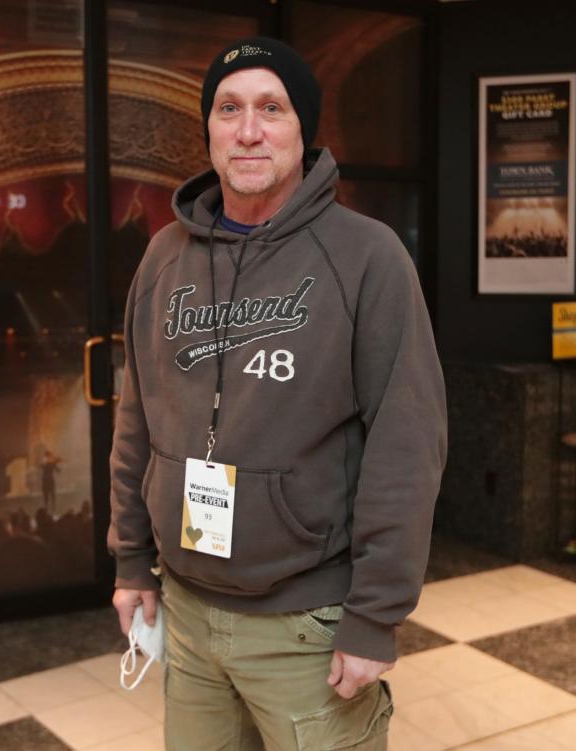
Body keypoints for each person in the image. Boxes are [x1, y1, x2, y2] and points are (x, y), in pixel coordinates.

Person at [108, 36, 447, 750]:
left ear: (303, 130)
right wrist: (132, 557)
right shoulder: (165, 256)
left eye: (272, 107)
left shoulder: (368, 257)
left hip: (307, 627)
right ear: (209, 129)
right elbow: (137, 414)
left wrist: (375, 615)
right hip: (190, 614)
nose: (249, 129)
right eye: (229, 108)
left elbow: (406, 444)